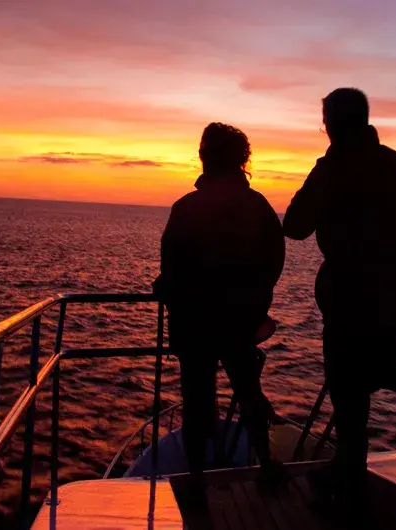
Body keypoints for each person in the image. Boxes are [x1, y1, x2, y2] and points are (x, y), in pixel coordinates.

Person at [283, 88, 396, 515]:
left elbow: (295, 224)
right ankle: (348, 472)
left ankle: (350, 489)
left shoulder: (336, 167)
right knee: (360, 389)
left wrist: (324, 168)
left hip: (353, 296)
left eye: (326, 121)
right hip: (395, 295)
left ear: (334, 124)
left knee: (348, 390)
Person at [154, 122, 285, 482]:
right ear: (241, 160)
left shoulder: (186, 208)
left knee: (198, 402)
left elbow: (171, 268)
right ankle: (266, 464)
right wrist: (254, 305)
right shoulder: (258, 207)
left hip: (194, 323)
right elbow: (273, 262)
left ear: (204, 158)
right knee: (248, 391)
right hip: (241, 321)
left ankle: (196, 478)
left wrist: (170, 289)